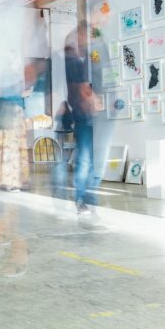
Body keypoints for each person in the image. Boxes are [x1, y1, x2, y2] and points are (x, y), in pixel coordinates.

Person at [65, 22, 100, 215]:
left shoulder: (86, 60)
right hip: (84, 115)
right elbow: (82, 89)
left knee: (90, 160)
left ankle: (86, 199)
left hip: (89, 116)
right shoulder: (76, 62)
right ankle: (81, 199)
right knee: (86, 159)